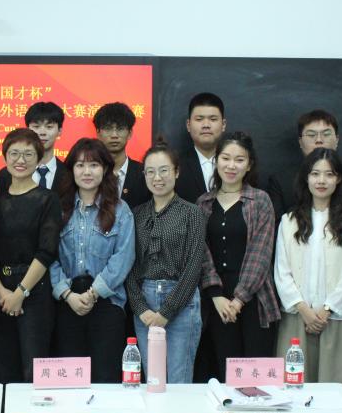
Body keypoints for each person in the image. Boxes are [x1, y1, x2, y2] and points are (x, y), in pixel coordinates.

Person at [273, 148, 342, 394]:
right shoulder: (289, 220)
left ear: (339, 179)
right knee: (293, 389)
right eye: (315, 174)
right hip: (297, 317)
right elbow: (281, 271)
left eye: (329, 174)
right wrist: (303, 309)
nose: (321, 180)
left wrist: (326, 310)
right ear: (306, 178)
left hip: (335, 318)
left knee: (336, 390)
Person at [50, 138, 136, 383]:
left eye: (94, 165)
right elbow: (48, 256)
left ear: (105, 169)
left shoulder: (120, 210)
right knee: (70, 379)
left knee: (105, 377)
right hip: (67, 302)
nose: (87, 172)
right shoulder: (58, 209)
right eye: (80, 165)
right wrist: (67, 294)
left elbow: (124, 257)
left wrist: (93, 293)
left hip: (107, 302)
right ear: (71, 170)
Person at [198, 132, 281, 381]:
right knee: (223, 372)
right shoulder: (203, 203)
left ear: (249, 165)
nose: (231, 166)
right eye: (225, 158)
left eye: (239, 160)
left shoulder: (260, 201)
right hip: (216, 299)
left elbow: (261, 253)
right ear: (216, 161)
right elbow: (201, 251)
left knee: (256, 376)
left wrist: (239, 299)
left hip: (253, 298)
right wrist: (216, 295)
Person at [125, 142, 207, 383]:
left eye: (164, 170)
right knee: (153, 379)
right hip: (145, 303)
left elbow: (194, 266)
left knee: (179, 380)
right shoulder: (136, 214)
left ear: (176, 172)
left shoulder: (192, 213)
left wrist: (167, 311)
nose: (157, 178)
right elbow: (129, 266)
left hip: (182, 302)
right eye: (150, 172)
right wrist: (140, 308)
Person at [0, 128, 62, 383]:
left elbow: (46, 251)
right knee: (1, 370)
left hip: (34, 292)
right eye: (14, 153)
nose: (21, 160)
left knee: (33, 370)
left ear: (39, 159)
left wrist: (20, 293)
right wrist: (1, 291)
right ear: (5, 157)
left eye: (28, 154)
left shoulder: (48, 199)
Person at [267, 110, 342, 221]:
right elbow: (277, 227)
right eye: (311, 135)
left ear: (337, 140)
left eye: (326, 134)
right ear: (300, 142)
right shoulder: (280, 182)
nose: (319, 140)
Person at [0, 101, 69, 193]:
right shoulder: (6, 174)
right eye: (36, 126)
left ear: (59, 131)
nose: (42, 132)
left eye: (49, 127)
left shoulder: (70, 174)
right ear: (28, 129)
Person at [92, 102, 151, 209]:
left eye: (120, 129)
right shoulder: (88, 173)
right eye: (108, 129)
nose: (114, 135)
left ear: (130, 133)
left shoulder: (144, 174)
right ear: (98, 133)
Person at [176, 92, 226, 204]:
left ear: (223, 125)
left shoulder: (236, 164)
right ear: (188, 125)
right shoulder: (175, 166)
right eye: (199, 119)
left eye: (213, 119)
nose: (206, 125)